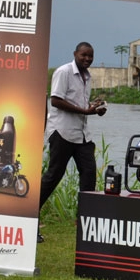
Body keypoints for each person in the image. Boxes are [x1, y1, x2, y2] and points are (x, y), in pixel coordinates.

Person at [38, 42, 107, 241]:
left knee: (89, 173)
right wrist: (85, 110)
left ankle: (85, 222)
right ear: (75, 54)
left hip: (81, 134)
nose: (87, 59)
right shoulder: (64, 72)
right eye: (84, 55)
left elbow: (80, 103)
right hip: (62, 131)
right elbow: (56, 100)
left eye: (90, 56)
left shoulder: (87, 76)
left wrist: (94, 108)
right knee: (54, 175)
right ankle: (30, 217)